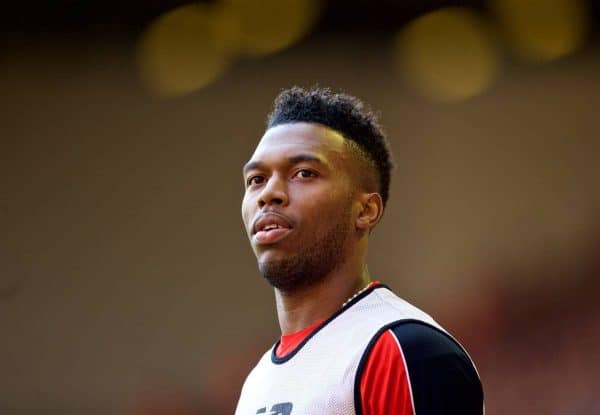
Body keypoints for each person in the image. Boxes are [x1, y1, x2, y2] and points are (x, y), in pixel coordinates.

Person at [236, 86, 484, 415]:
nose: (269, 194)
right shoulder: (258, 381)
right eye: (256, 179)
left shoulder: (408, 352)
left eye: (303, 173)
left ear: (366, 210)